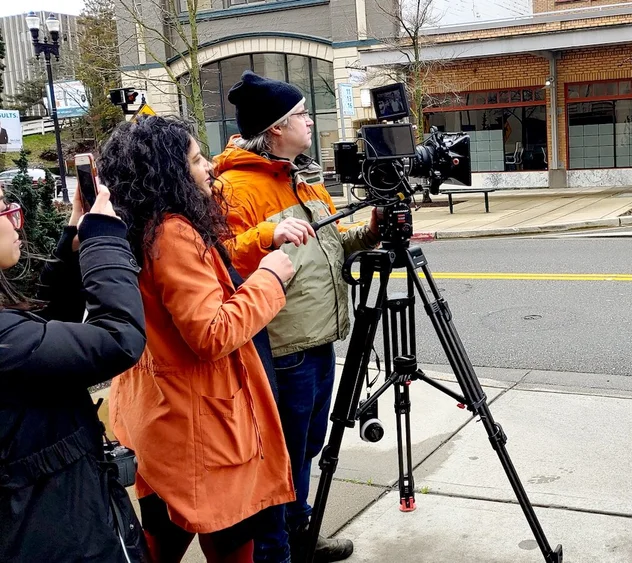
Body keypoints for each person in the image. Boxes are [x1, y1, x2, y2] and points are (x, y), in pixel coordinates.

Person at [105, 116, 298, 562]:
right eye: (195, 160)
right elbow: (211, 333)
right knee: (228, 540)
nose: (209, 166)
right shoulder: (173, 232)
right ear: (169, 173)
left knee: (161, 535)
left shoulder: (136, 226)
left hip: (159, 417)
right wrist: (270, 279)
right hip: (200, 428)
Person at [215, 70, 380, 562]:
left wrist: (371, 231)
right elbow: (220, 259)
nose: (310, 122)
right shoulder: (234, 188)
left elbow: (332, 243)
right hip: (281, 347)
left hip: (318, 340)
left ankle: (301, 531)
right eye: (302, 115)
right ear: (276, 128)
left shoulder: (301, 179)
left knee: (306, 445)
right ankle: (276, 550)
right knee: (279, 456)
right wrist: (266, 233)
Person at [0, 183, 148, 562]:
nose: (17, 223)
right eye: (4, 211)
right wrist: (105, 240)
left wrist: (72, 245)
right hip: (61, 529)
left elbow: (42, 341)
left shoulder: (12, 342)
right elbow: (118, 338)